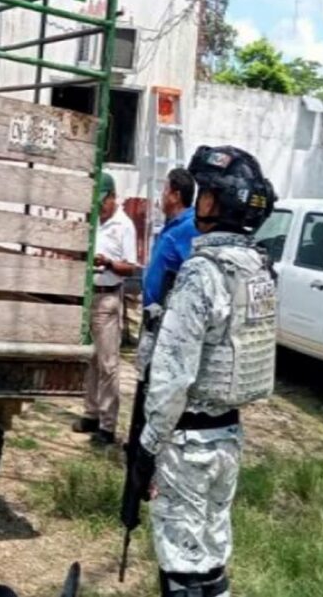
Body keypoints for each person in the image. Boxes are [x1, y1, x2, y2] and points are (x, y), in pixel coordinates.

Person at [126, 146, 277, 597]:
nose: (199, 202)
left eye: (206, 194)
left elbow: (173, 375)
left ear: (219, 203)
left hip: (186, 444)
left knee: (182, 566)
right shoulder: (258, 269)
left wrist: (147, 447)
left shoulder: (201, 273)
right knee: (210, 556)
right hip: (227, 436)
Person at [73, 172, 138, 445]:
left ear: (113, 197)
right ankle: (91, 413)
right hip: (89, 295)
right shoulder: (93, 221)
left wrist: (108, 262)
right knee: (91, 360)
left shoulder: (124, 225)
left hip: (108, 297)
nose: (100, 207)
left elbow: (130, 267)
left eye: (103, 201)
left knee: (108, 364)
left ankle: (108, 425)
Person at [135, 168, 199, 375]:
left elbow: (192, 273)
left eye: (164, 190)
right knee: (145, 376)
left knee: (157, 378)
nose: (161, 196)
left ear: (176, 196)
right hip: (153, 319)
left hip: (168, 326)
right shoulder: (172, 225)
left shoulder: (189, 227)